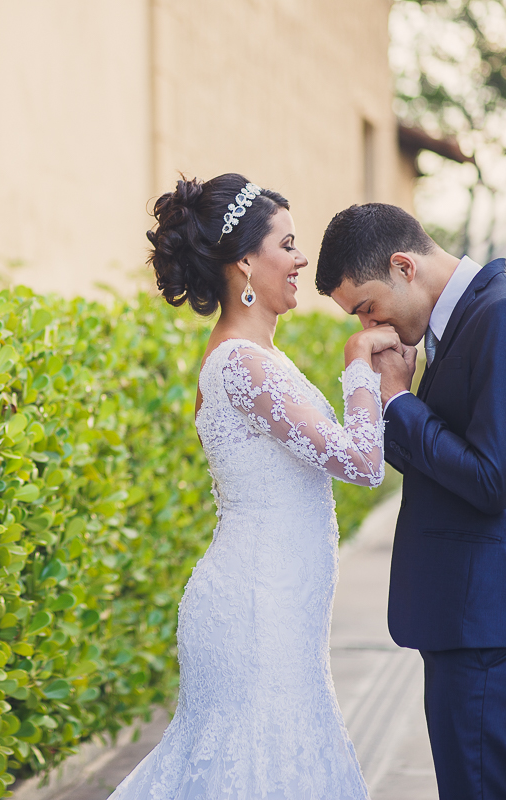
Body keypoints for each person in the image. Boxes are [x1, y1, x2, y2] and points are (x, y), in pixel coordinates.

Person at [107, 174, 401, 800]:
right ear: (244, 262)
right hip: (255, 613)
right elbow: (361, 463)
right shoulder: (241, 364)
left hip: (281, 612)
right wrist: (358, 366)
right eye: (287, 245)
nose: (301, 261)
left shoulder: (262, 358)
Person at [316, 203, 506, 800]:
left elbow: (490, 480)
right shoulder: (459, 322)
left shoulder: (504, 315)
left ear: (404, 267)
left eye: (366, 306)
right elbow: (445, 470)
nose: (368, 325)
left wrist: (397, 401)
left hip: (488, 632)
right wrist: (398, 404)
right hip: (467, 625)